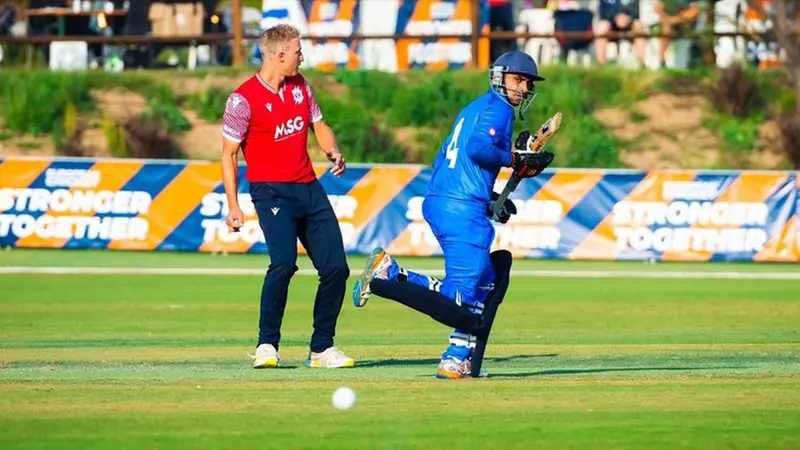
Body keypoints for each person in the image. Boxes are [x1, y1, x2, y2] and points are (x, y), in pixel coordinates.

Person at [351, 51, 554, 379]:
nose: (523, 88)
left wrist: (486, 198)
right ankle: (393, 282)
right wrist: (514, 159)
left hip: (444, 200)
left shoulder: (472, 109)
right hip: (462, 211)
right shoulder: (500, 109)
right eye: (518, 80)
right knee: (458, 300)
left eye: (527, 83)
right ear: (499, 77)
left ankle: (459, 354)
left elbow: (448, 157)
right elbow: (478, 150)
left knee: (486, 280)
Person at [221, 23, 353, 370]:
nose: (302, 57)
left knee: (337, 268)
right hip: (271, 192)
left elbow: (319, 124)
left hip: (309, 188)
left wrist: (332, 150)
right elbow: (228, 155)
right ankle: (267, 344)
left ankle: (322, 349)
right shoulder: (242, 99)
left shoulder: (301, 86)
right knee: (283, 264)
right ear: (280, 56)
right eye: (297, 52)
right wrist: (233, 205)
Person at [594, 0, 646, 66]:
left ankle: (642, 63)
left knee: (639, 26)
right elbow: (603, 13)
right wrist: (615, 17)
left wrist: (628, 18)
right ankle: (600, 64)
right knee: (602, 27)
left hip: (629, 24)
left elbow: (636, 12)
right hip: (611, 24)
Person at [655, 0, 703, 68]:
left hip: (689, 27)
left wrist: (674, 19)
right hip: (674, 26)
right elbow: (658, 8)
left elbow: (696, 10)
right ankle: (662, 61)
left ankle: (663, 61)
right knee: (666, 27)